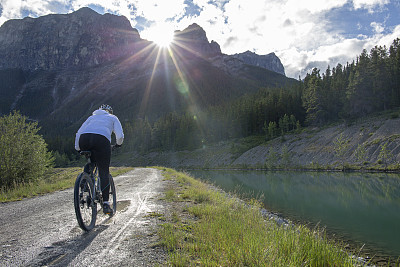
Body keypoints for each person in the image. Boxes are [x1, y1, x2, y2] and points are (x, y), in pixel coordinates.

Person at [75, 104, 124, 214]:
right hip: (101, 140)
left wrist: (78, 148)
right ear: (109, 112)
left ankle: (85, 180)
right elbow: (120, 136)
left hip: (84, 140)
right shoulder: (112, 117)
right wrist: (118, 145)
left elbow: (78, 133)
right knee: (103, 171)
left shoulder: (91, 118)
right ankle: (106, 204)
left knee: (91, 161)